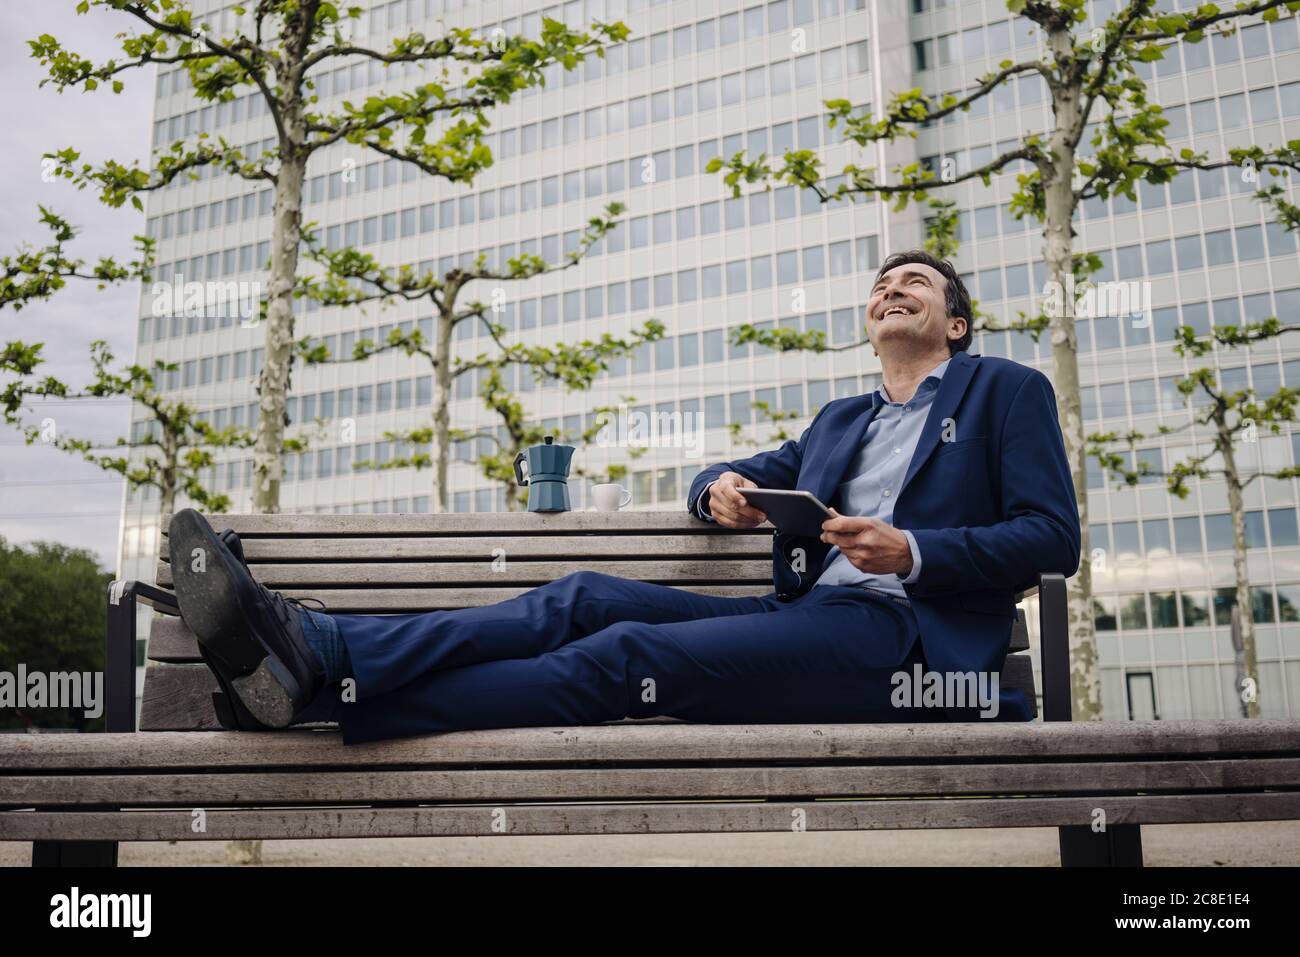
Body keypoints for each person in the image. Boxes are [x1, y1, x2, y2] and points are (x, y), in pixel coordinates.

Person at [167, 250, 1080, 744]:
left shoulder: (1006, 391)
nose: (892, 288)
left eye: (914, 282)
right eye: (881, 283)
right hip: (807, 617)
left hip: (903, 644)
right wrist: (715, 490)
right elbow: (746, 473)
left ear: (954, 322)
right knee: (585, 596)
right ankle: (319, 649)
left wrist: (912, 551)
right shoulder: (840, 420)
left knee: (626, 652)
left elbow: (1051, 537)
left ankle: (320, 691)